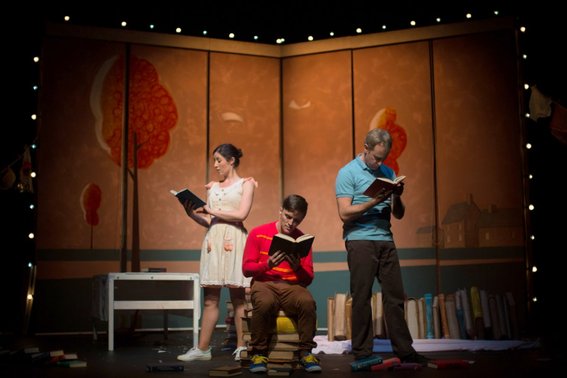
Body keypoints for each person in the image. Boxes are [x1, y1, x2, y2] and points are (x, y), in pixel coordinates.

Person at [334, 128, 428, 366]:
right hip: (360, 239)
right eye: (375, 158)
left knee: (395, 296)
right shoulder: (347, 173)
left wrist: (396, 195)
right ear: (365, 148)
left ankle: (405, 351)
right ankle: (363, 352)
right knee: (362, 297)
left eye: (383, 158)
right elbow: (344, 213)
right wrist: (375, 200)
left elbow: (399, 214)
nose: (379, 163)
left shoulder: (388, 172)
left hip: (385, 239)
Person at [177, 143, 256, 362]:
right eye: (214, 160)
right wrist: (191, 214)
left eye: (219, 160)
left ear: (231, 161)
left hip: (234, 239)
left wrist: (211, 210)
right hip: (214, 240)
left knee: (238, 297)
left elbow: (241, 214)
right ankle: (202, 349)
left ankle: (241, 347)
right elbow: (210, 220)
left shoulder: (246, 184)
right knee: (210, 299)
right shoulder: (212, 187)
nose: (215, 165)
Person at [242, 194, 322, 373]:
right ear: (280, 211)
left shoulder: (302, 240)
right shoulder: (258, 232)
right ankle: (258, 353)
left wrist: (298, 268)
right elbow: (246, 269)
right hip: (265, 282)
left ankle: (305, 353)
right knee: (264, 303)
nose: (291, 223)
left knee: (308, 302)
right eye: (288, 216)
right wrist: (267, 265)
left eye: (297, 220)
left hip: (291, 286)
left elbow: (308, 278)